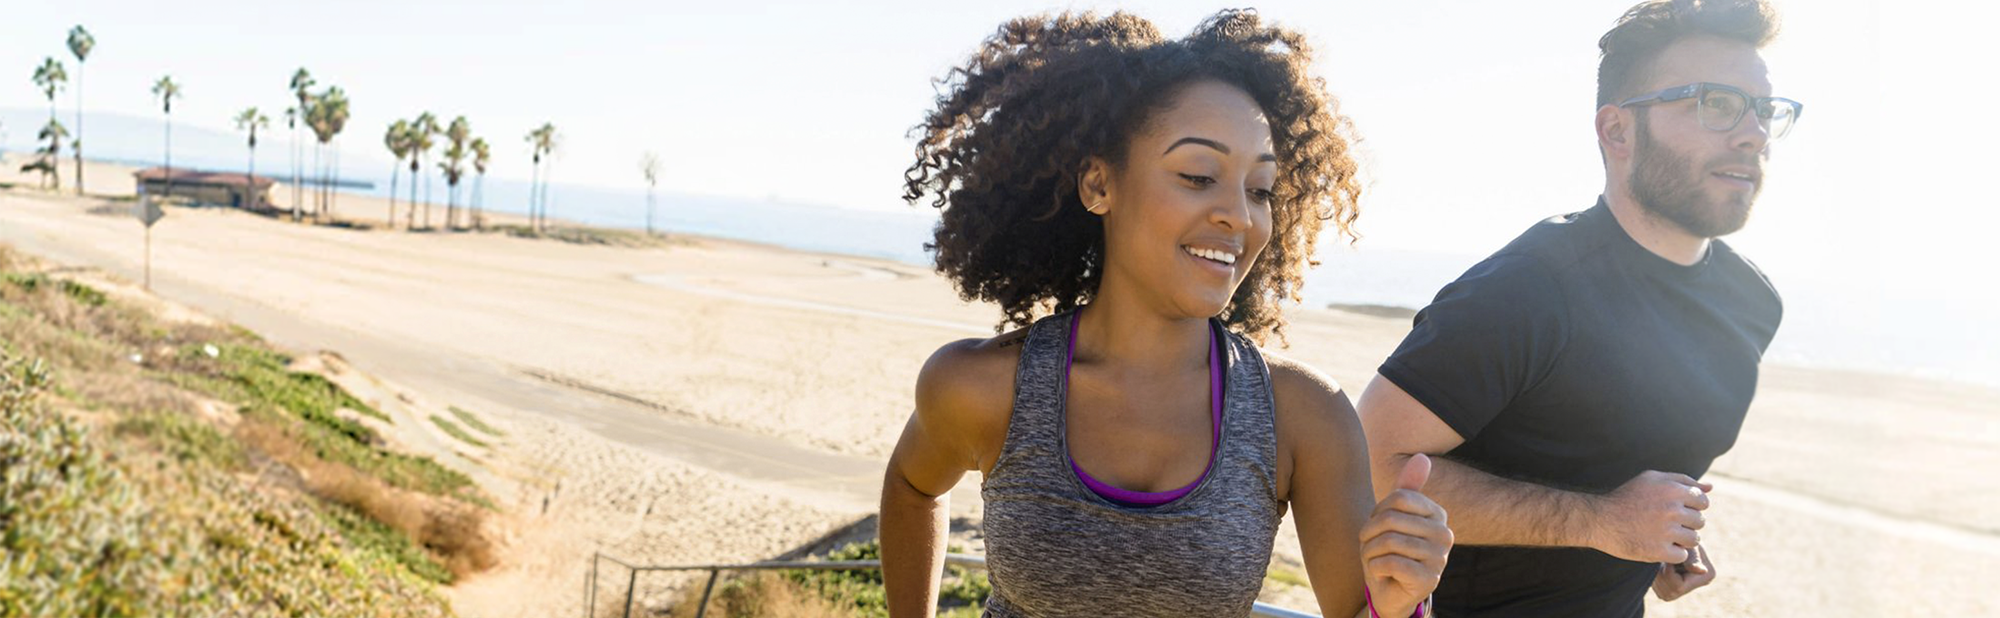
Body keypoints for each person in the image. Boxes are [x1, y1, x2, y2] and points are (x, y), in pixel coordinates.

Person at [880, 10, 1453, 618]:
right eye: (1198, 175)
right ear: (1100, 184)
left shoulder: (1304, 414)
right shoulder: (983, 386)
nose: (1239, 215)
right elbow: (913, 488)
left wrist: (1398, 607)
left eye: (1259, 189)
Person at [1353, 1, 1796, 616]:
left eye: (1764, 108)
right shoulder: (1528, 289)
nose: (1752, 133)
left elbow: (1629, 459)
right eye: (1715, 103)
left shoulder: (1753, 302)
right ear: (1617, 130)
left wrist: (1660, 541)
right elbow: (1368, 463)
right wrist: (1600, 523)